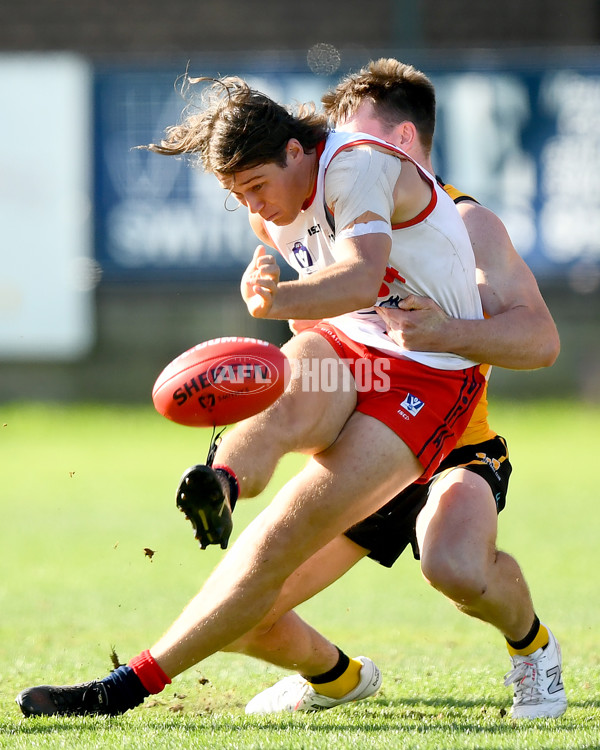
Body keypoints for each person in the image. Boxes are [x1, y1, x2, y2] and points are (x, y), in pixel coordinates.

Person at [16, 71, 487, 718]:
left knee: (277, 542)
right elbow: (315, 301)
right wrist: (274, 285)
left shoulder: (357, 166)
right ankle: (223, 483)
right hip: (352, 346)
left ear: (296, 151)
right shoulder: (274, 209)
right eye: (238, 197)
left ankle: (126, 687)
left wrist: (276, 298)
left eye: (257, 188)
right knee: (278, 399)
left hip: (431, 375)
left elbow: (360, 278)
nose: (254, 208)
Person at [221, 60, 566, 721]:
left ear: (403, 142)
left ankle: (534, 649)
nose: (339, 163)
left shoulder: (469, 224)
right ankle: (337, 677)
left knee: (454, 567)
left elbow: (542, 343)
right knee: (244, 602)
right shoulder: (322, 208)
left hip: (451, 443)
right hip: (368, 442)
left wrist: (450, 330)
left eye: (356, 144)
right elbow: (319, 326)